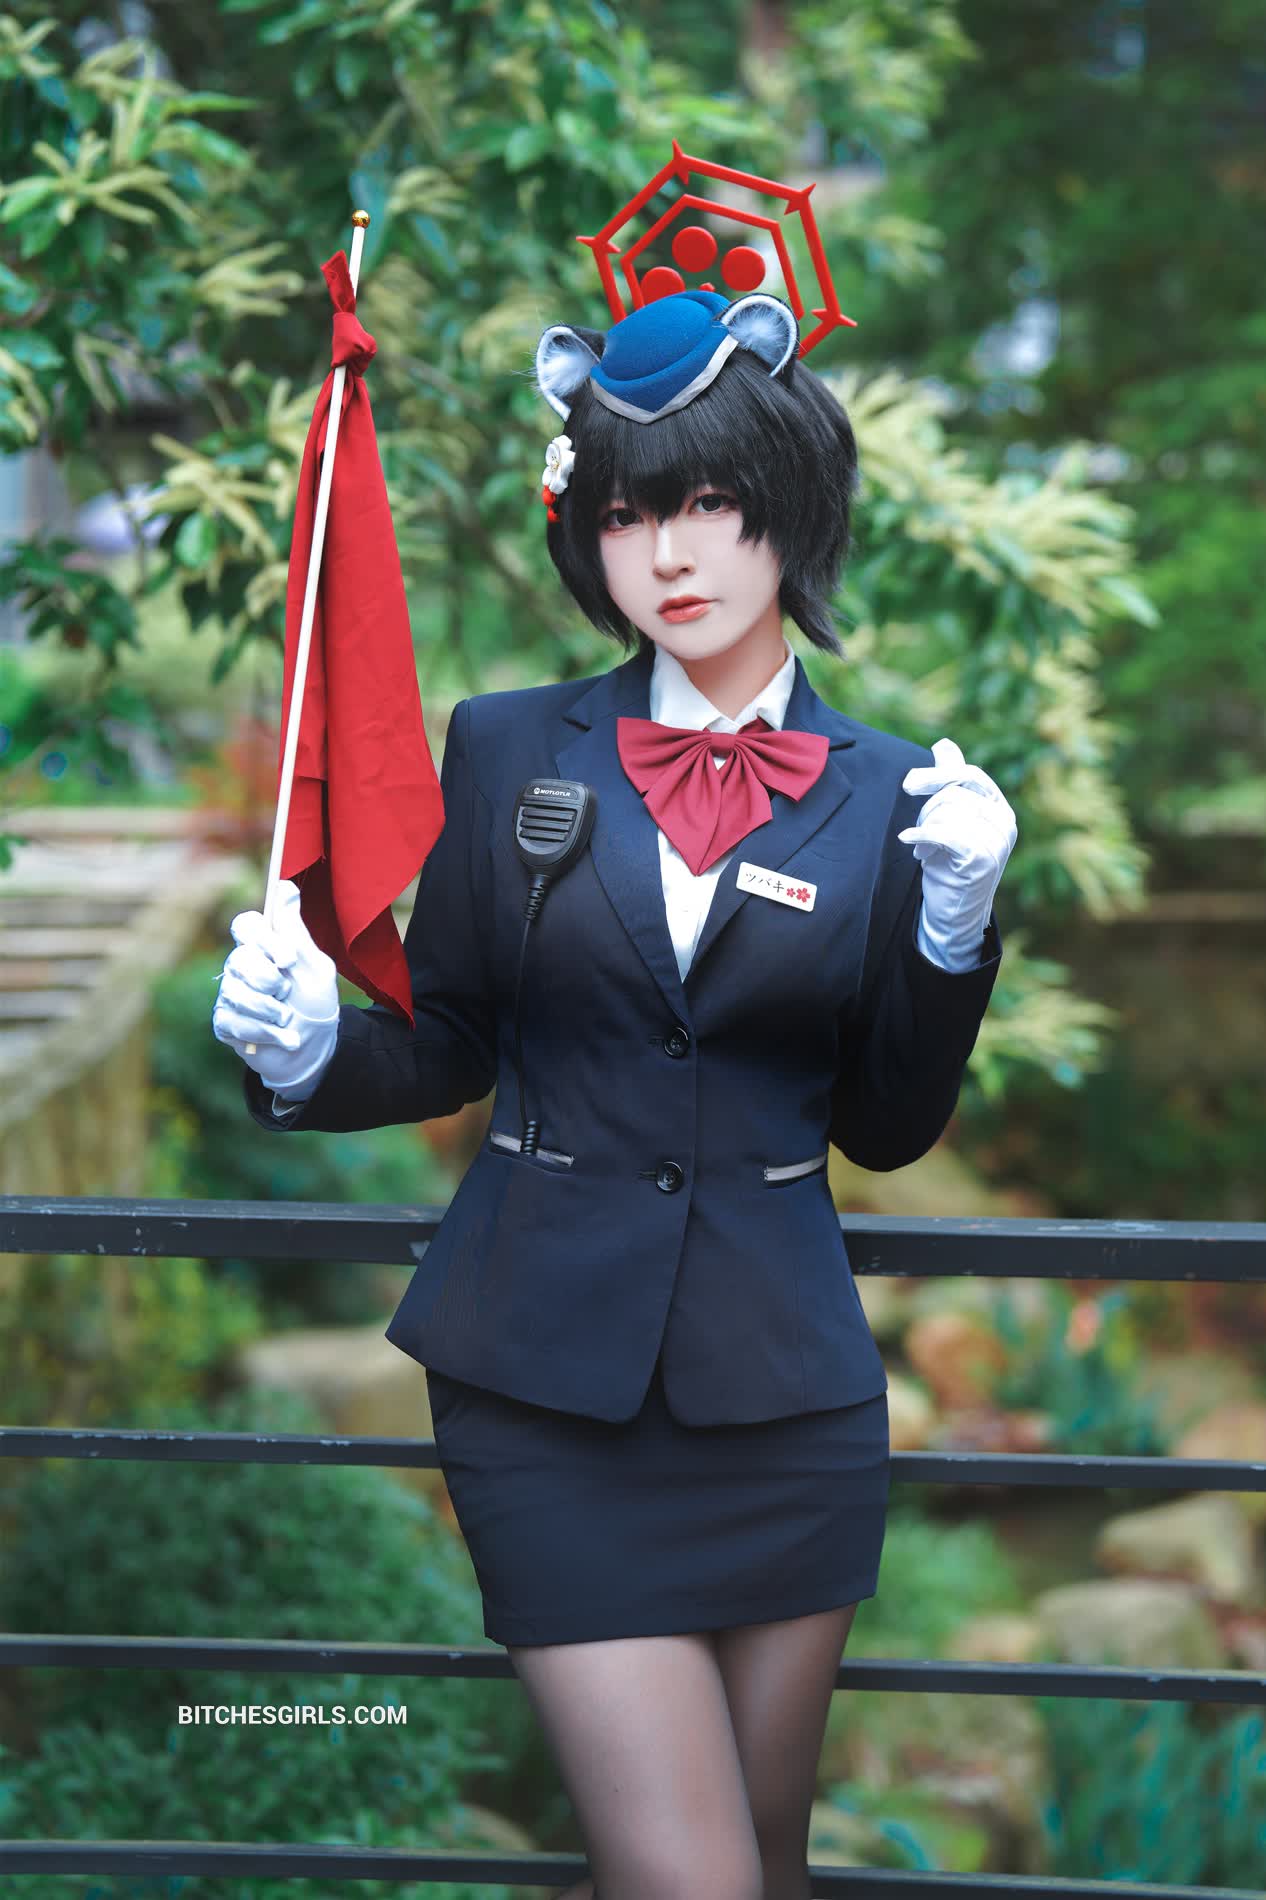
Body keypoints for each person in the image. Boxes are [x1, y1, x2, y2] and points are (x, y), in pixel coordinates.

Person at [214, 245, 1015, 1900]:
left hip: (784, 1399)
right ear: (585, 533)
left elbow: (887, 1125)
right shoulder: (511, 746)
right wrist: (306, 1051)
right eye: (630, 512)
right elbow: (448, 1037)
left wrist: (952, 928)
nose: (671, 552)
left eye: (713, 502)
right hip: (540, 1383)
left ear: (792, 508)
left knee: (762, 1869)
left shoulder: (894, 795)